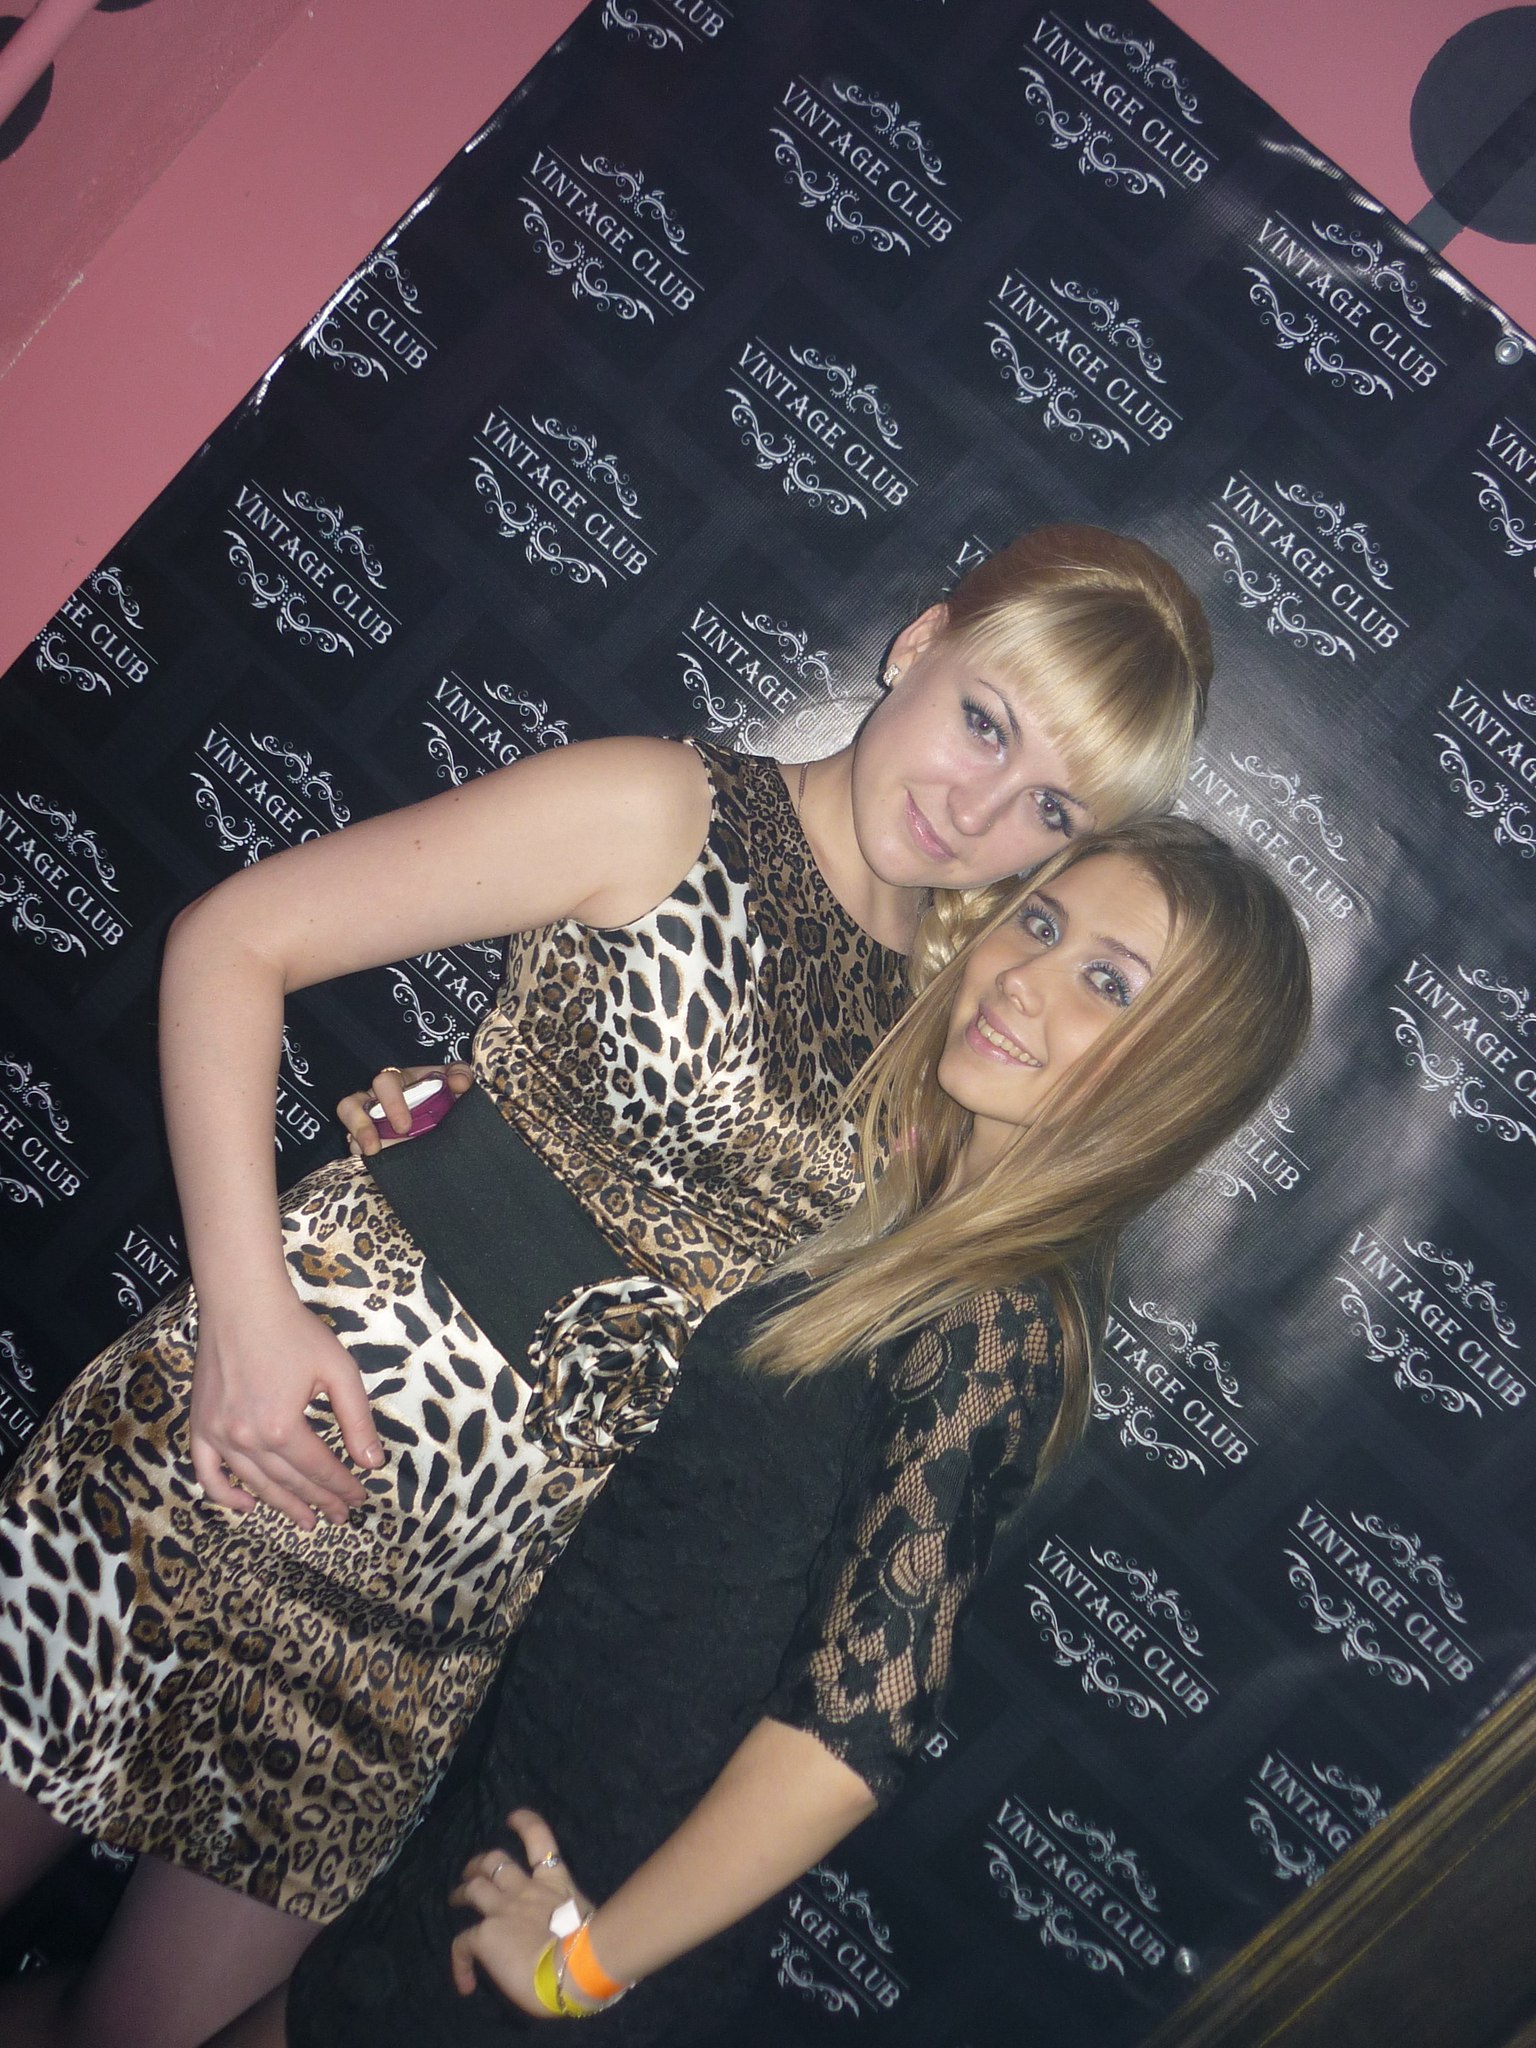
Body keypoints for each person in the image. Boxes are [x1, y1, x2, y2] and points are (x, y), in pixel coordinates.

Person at [0, 527, 1212, 2048]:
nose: (978, 808)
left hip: (448, 1606)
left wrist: (456, 1140)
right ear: (917, 643)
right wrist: (246, 1314)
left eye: (1048, 805)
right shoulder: (666, 808)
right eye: (986, 720)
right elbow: (235, 939)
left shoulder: (941, 1037)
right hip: (252, 1442)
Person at [211, 815, 1312, 2048]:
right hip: (511, 1817)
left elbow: (859, 1729)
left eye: (1108, 982)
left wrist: (581, 1969)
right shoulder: (905, 1205)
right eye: (1042, 923)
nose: (1024, 977)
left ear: (1177, 1079)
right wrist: (470, 1159)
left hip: (584, 1899)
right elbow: (678, 1410)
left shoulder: (995, 1315)